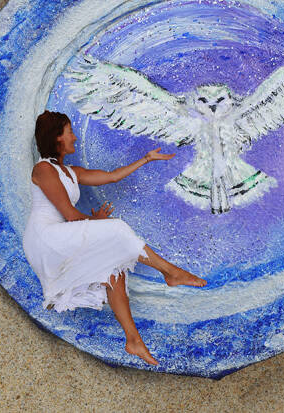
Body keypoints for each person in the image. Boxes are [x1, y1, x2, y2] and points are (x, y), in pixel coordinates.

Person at [23, 110, 206, 366]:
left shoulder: (70, 172)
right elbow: (70, 215)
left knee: (115, 269)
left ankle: (133, 340)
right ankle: (171, 272)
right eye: (69, 132)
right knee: (117, 228)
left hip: (61, 235)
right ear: (57, 138)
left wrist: (146, 159)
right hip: (45, 238)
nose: (75, 137)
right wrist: (97, 223)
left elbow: (111, 176)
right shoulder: (43, 169)